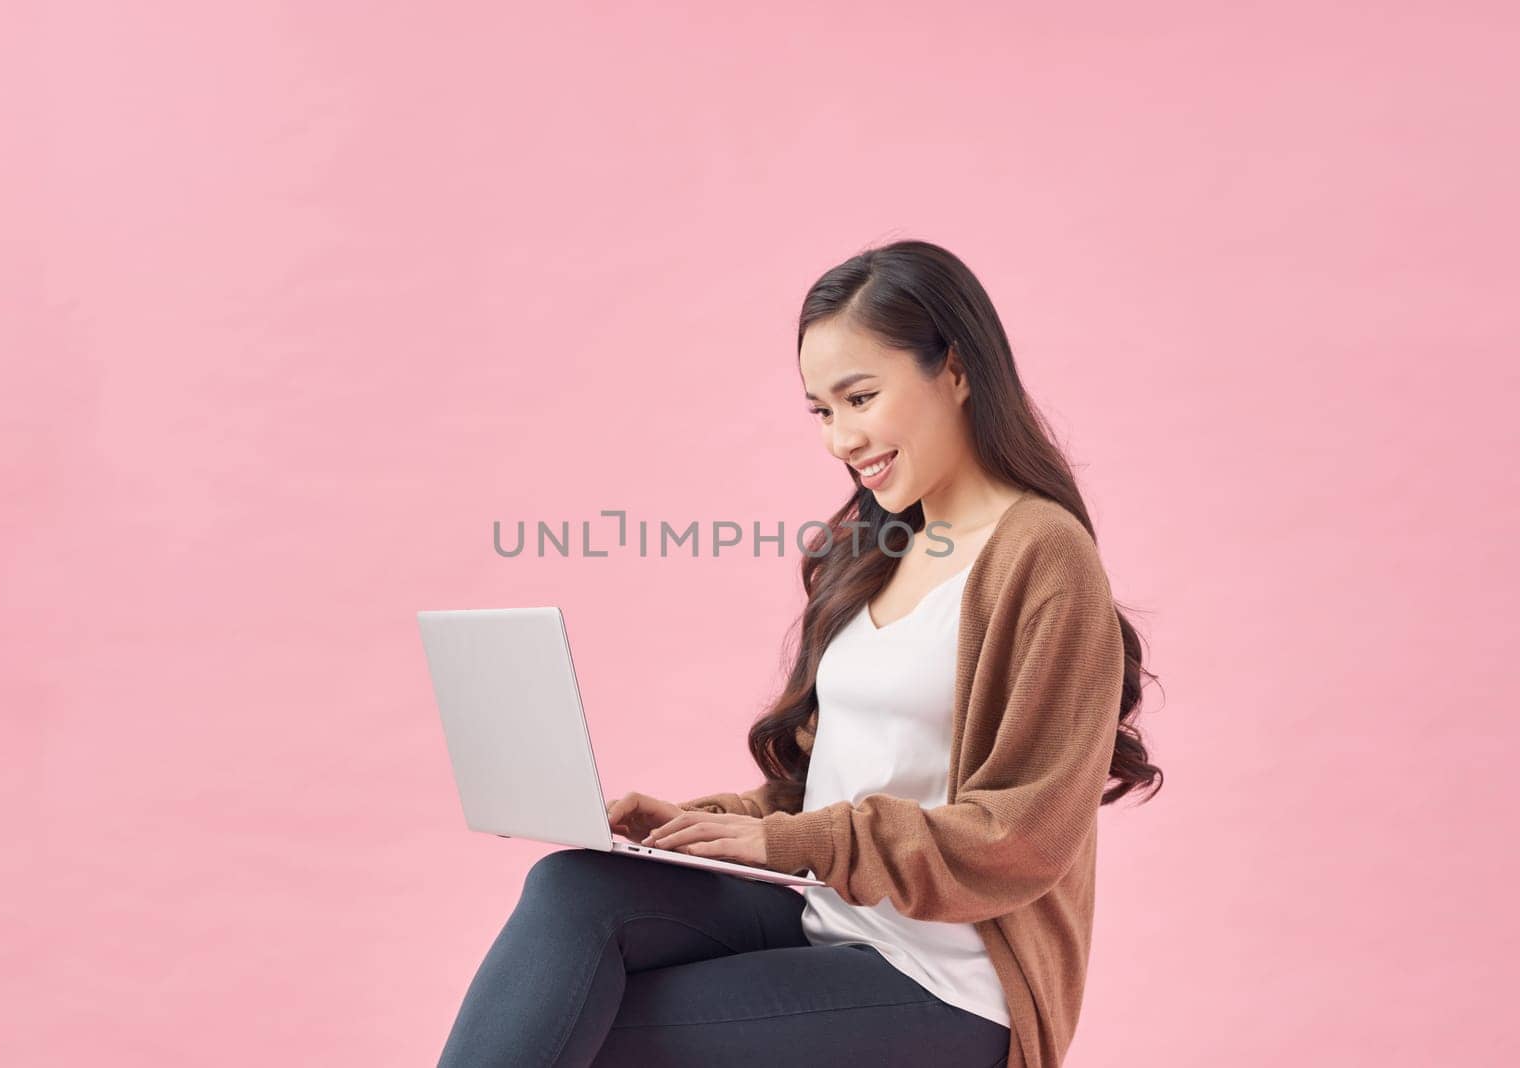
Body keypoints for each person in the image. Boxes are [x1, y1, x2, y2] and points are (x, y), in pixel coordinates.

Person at [434, 239, 1162, 1067]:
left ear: (955, 371)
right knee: (572, 891)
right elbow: (826, 791)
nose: (840, 438)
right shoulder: (878, 545)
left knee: (585, 1027)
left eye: (861, 397)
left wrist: (794, 845)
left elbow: (1022, 837)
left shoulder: (1042, 553)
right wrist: (705, 825)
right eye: (820, 410)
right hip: (830, 911)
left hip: (951, 978)